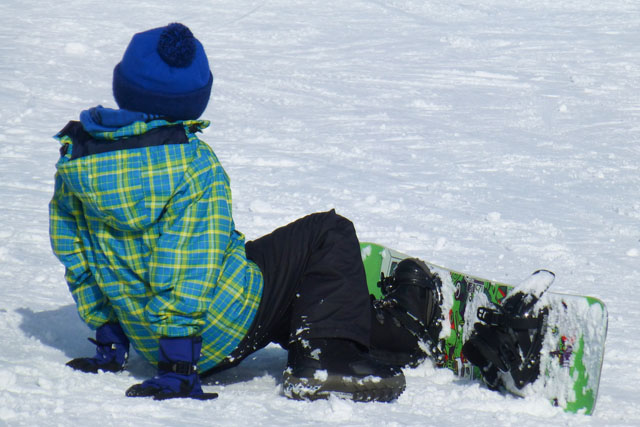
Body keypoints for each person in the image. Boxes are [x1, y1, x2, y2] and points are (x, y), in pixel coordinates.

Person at [50, 23, 524, 403]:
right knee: (327, 234)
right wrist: (178, 366)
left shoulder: (77, 160)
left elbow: (78, 258)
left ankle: (375, 327)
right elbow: (187, 267)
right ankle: (331, 359)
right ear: (194, 100)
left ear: (122, 85)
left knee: (276, 272)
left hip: (151, 336)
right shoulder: (193, 166)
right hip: (199, 337)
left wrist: (111, 339)